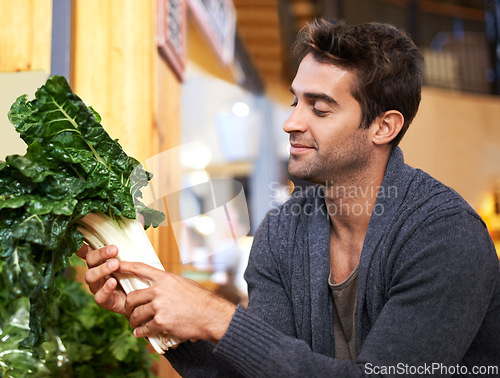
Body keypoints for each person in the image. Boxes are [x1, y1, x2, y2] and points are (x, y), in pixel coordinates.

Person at [78, 19, 500, 377]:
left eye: (320, 108)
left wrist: (218, 318)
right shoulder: (282, 231)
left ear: (383, 127)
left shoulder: (446, 237)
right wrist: (163, 320)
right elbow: (260, 368)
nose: (290, 122)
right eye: (296, 100)